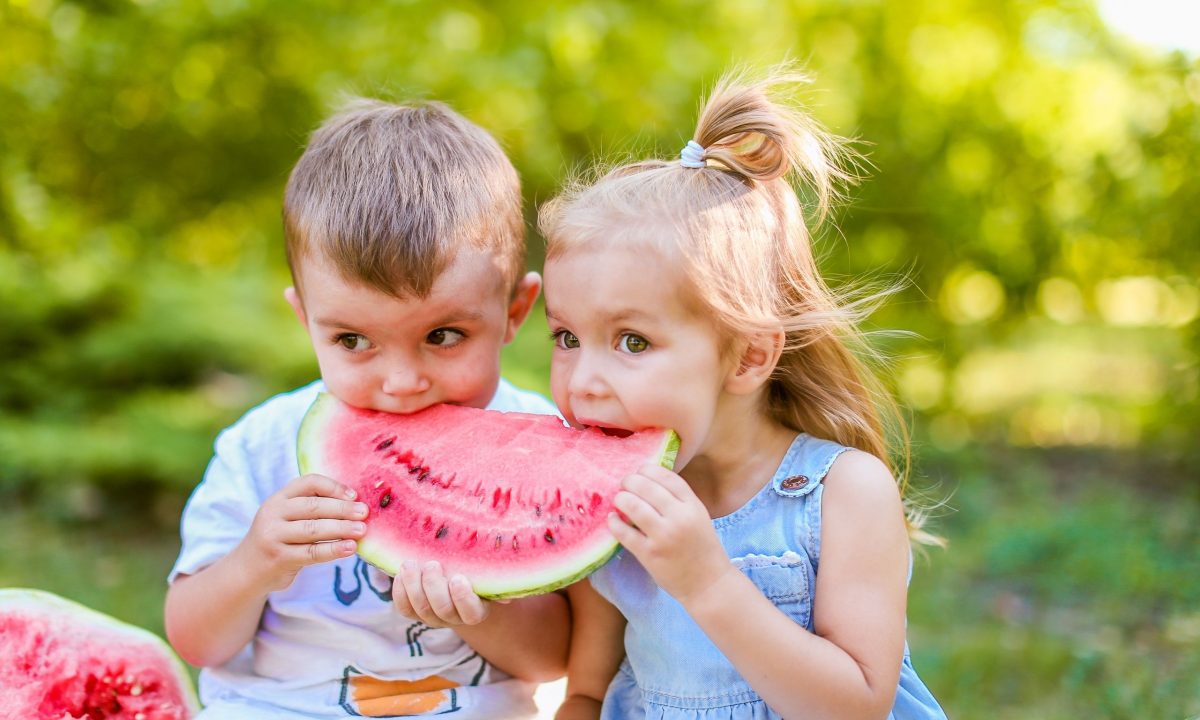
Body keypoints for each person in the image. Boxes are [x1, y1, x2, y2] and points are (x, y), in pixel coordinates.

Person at [540, 67, 947, 719]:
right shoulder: (612, 507)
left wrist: (707, 582)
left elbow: (857, 708)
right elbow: (588, 690)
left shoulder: (842, 493)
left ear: (750, 355)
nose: (583, 381)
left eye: (633, 342)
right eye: (566, 338)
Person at [164, 98, 569, 719]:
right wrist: (255, 562)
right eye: (353, 341)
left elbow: (553, 661)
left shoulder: (545, 449)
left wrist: (482, 610)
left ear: (515, 311)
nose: (401, 382)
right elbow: (195, 639)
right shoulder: (263, 446)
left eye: (443, 336)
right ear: (307, 319)